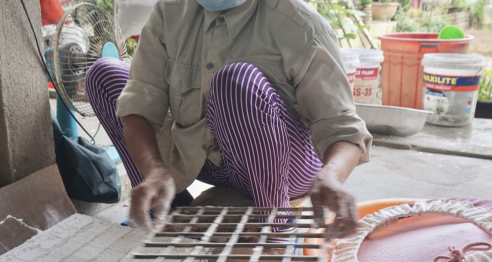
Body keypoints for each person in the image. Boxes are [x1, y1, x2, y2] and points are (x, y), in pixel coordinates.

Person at [85, 0, 372, 240]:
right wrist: (153, 170)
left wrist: (331, 176)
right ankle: (164, 208)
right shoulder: (171, 11)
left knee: (234, 81)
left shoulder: (298, 22)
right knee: (103, 74)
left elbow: (343, 128)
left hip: (283, 167)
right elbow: (140, 103)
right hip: (200, 158)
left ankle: (273, 225)